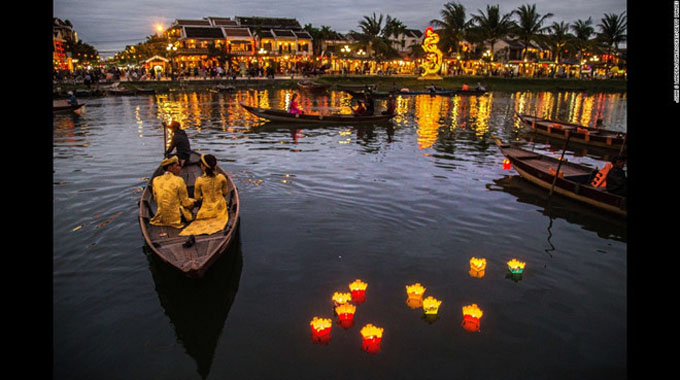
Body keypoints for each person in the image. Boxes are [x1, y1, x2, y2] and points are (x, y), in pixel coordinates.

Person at [180, 154, 230, 236]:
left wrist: (203, 197)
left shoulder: (199, 180)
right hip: (220, 206)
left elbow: (197, 198)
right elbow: (225, 192)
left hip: (206, 207)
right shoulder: (221, 177)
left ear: (203, 166)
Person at [149, 156, 196, 229]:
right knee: (192, 201)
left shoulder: (155, 180)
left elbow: (156, 199)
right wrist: (194, 203)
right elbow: (185, 202)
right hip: (177, 217)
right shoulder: (179, 180)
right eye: (177, 166)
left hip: (160, 216)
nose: (179, 168)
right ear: (170, 168)